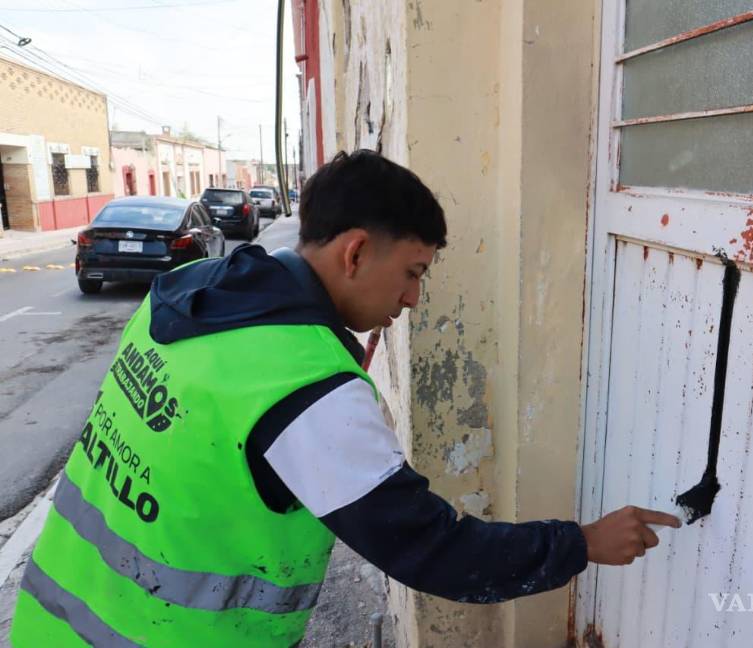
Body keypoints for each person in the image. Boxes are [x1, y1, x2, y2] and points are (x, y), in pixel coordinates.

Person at [10, 150, 680, 647]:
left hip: (51, 622)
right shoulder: (307, 387)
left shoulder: (187, 292)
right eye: (413, 272)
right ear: (356, 252)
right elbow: (432, 551)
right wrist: (581, 544)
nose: (414, 297)